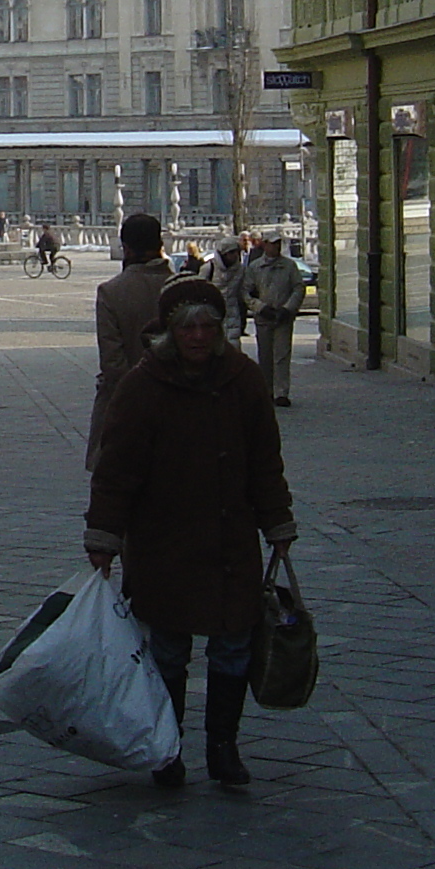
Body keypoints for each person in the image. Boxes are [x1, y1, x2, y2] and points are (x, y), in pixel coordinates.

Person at [85, 276, 296, 789]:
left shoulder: (242, 379)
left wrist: (278, 520)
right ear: (169, 332)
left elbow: (266, 459)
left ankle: (223, 746)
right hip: (165, 542)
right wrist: (105, 537)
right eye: (189, 328)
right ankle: (168, 745)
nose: (199, 336)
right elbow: (117, 468)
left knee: (232, 646)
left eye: (208, 325)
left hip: (230, 539)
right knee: (168, 650)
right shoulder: (143, 385)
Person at [88, 212, 174, 468]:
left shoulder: (111, 291)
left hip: (125, 406)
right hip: (177, 402)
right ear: (160, 246)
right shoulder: (180, 286)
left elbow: (112, 361)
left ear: (125, 248)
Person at [237, 237, 308, 407]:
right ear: (265, 245)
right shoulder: (255, 267)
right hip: (264, 317)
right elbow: (246, 292)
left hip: (283, 317)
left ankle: (281, 392)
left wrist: (288, 308)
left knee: (282, 356)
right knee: (265, 356)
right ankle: (267, 390)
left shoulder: (289, 266)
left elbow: (299, 287)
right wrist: (260, 307)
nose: (276, 247)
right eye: (272, 243)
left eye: (278, 244)